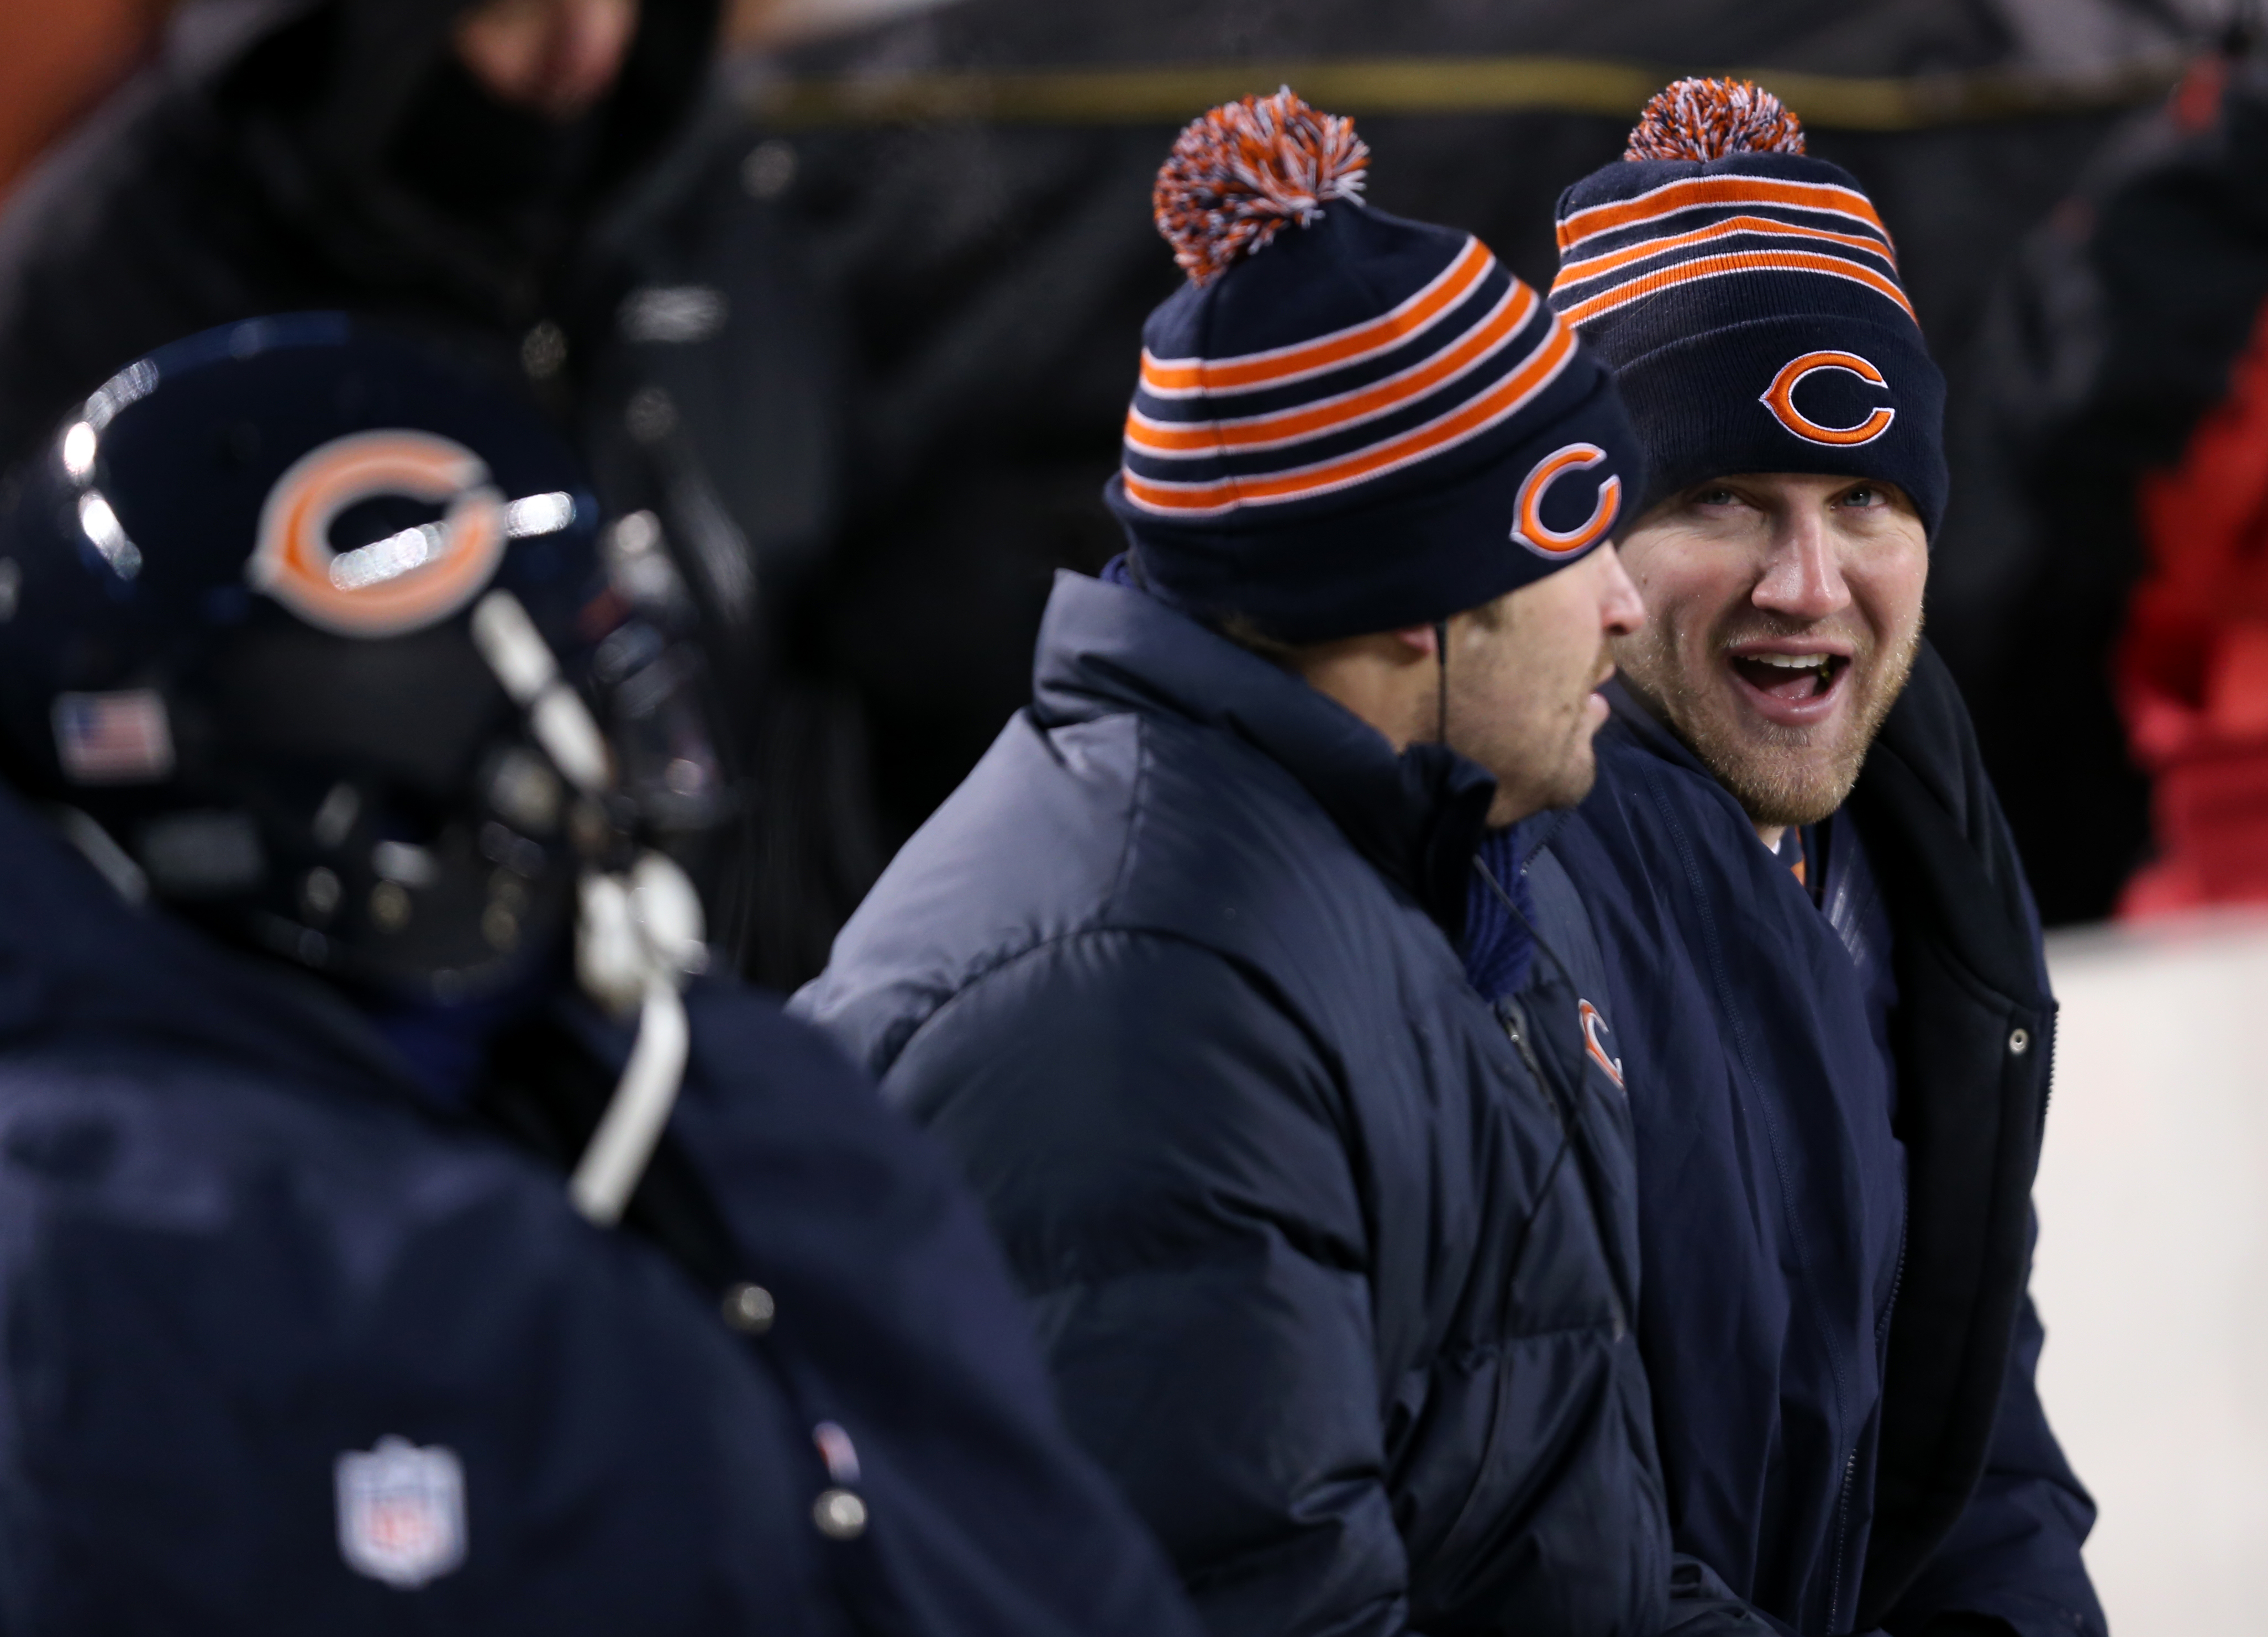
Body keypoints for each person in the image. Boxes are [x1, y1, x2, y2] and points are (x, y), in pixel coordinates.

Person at [0, 315, 1203, 1636]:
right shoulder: (122, 1254)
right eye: (563, 671)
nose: (612, 747)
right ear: (370, 741)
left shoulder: (725, 1088)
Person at [795, 91, 1698, 1637]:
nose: (1625, 603)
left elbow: (1561, 1573)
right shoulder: (1145, 1008)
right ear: (1410, 597)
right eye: (1575, 535)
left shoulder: (1432, 868)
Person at [1487, 78, 2104, 1637]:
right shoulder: (1505, 892)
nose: (1808, 582)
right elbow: (1540, 1542)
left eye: (1865, 501)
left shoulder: (1921, 843)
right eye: (1720, 501)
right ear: (1590, 546)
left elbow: (1972, 1419)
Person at [0, 0, 878, 985]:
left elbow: (811, 675)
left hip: (696, 1029)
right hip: (317, 1074)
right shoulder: (103, 282)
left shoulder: (723, 209)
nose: (582, 50)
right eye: (509, 7)